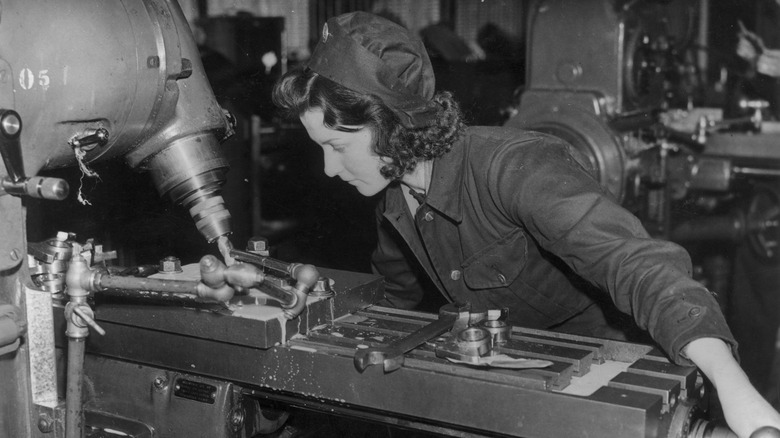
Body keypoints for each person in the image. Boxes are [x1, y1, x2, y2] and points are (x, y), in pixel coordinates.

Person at [272, 12, 780, 437]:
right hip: (511, 385)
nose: (329, 170)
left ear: (389, 126)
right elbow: (394, 297)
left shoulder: (516, 167)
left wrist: (731, 384)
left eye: (336, 147)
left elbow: (637, 263)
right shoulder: (395, 201)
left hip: (612, 382)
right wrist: (313, 316)